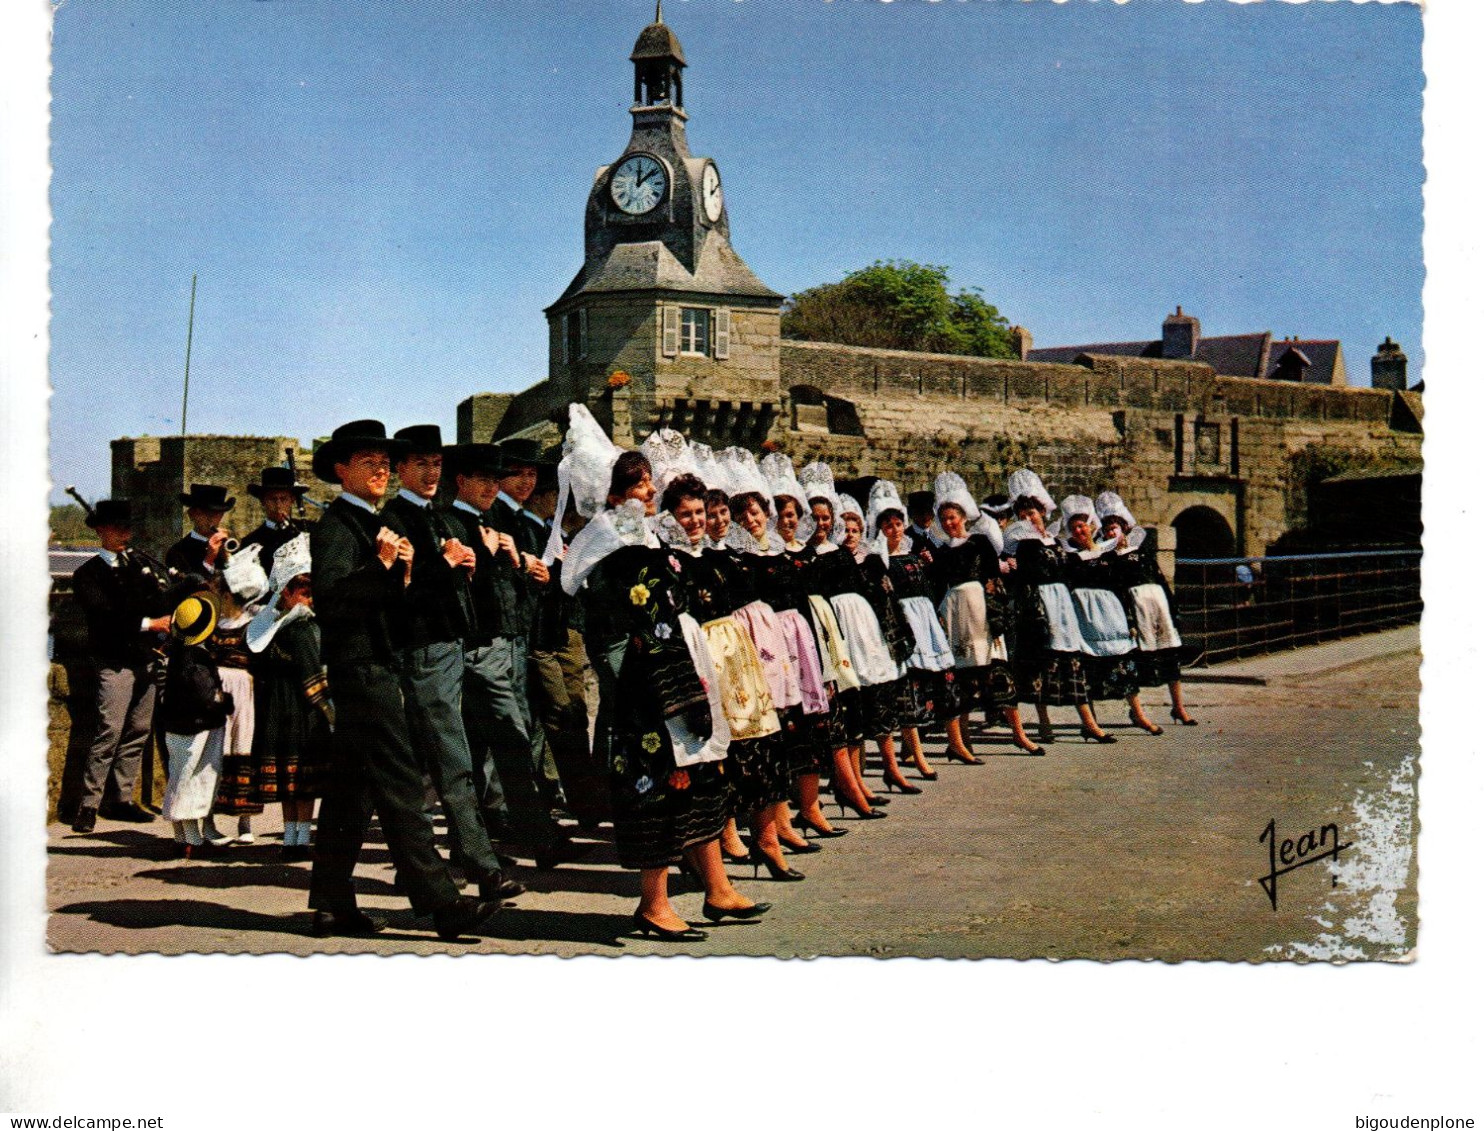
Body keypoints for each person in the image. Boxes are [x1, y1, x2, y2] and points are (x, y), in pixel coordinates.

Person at [558, 407, 765, 939]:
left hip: (672, 667)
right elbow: (636, 620)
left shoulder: (641, 537)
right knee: (662, 785)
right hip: (648, 682)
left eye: (647, 478)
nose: (650, 489)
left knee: (698, 777)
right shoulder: (612, 546)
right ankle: (654, 903)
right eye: (637, 483)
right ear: (609, 493)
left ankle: (717, 889)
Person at [307, 418, 500, 942]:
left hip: (375, 664)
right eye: (368, 463)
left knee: (350, 792)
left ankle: (330, 902)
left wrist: (406, 573)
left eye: (385, 464)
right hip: (361, 671)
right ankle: (442, 903)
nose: (381, 472)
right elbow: (331, 603)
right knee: (399, 789)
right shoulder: (336, 527)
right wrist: (383, 566)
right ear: (341, 470)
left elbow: (382, 603)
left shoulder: (365, 523)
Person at [383, 424, 523, 902]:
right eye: (420, 464)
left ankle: (429, 865)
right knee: (451, 761)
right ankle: (481, 864)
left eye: (435, 465)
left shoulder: (435, 517)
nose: (429, 473)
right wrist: (446, 565)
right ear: (401, 468)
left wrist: (469, 563)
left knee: (436, 761)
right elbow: (399, 596)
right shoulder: (398, 518)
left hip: (450, 647)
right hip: (425, 649)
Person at [477, 436, 587, 869]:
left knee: (526, 724)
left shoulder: (526, 520)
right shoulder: (499, 517)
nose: (525, 481)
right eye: (516, 474)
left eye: (530, 475)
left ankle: (521, 813)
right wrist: (526, 571)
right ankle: (505, 815)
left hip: (531, 629)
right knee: (509, 728)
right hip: (512, 633)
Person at [69, 498, 177, 832]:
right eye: (118, 528)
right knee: (110, 730)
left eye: (127, 528)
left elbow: (159, 599)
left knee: (138, 731)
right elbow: (105, 618)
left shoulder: (137, 564)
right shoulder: (87, 574)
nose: (124, 534)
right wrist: (150, 624)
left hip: (144, 657)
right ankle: (88, 805)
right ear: (100, 530)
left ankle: (121, 799)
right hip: (114, 660)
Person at [929, 473, 1042, 758]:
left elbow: (993, 579)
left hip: (981, 611)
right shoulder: (941, 552)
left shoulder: (980, 542)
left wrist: (997, 616)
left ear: (963, 516)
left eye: (953, 517)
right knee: (961, 679)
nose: (949, 523)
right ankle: (961, 741)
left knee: (999, 672)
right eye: (944, 519)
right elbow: (937, 587)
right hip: (955, 613)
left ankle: (1019, 734)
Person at [798, 471, 886, 821]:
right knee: (827, 711)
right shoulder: (803, 555)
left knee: (850, 707)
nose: (820, 524)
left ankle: (853, 782)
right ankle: (841, 787)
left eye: (825, 518)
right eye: (815, 518)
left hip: (838, 634)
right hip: (812, 633)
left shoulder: (838, 554)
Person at [1002, 469, 1111, 743]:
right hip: (1041, 607)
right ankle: (1044, 722)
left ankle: (1088, 723)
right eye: (1024, 515)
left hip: (1062, 606)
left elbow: (1071, 569)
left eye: (1033, 513)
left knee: (1072, 664)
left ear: (1042, 512)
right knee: (1042, 666)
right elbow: (1027, 577)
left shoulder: (1055, 541)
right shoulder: (1025, 545)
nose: (1029, 518)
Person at [243, 535, 331, 861]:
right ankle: (294, 834)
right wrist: (328, 708)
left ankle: (298, 836)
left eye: (310, 594)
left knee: (296, 779)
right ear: (287, 592)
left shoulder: (292, 628)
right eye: (303, 594)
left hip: (286, 707)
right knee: (294, 778)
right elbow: (313, 678)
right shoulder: (291, 628)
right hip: (293, 708)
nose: (309, 601)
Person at [867, 479, 960, 777]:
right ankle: (914, 755)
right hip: (903, 624)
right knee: (909, 689)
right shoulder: (877, 561)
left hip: (926, 622)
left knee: (938, 682)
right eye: (888, 525)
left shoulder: (914, 554)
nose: (894, 530)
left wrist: (935, 613)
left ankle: (951, 743)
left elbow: (928, 587)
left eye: (897, 524)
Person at [1059, 494, 1163, 736]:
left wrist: (1129, 619)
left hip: (1110, 615)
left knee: (1124, 666)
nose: (1079, 530)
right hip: (1084, 616)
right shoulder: (1071, 558)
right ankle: (1090, 723)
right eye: (1074, 527)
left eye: (1082, 525)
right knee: (1083, 670)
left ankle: (1138, 714)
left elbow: (1125, 585)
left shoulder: (1109, 553)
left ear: (1092, 525)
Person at [1094, 492, 1197, 726]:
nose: (1112, 533)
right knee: (1137, 663)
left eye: (1115, 528)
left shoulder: (1142, 552)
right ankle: (1137, 711)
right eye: (1108, 529)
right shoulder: (1108, 559)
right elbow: (1115, 592)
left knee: (1170, 656)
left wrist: (1172, 609)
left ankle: (1178, 707)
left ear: (1124, 528)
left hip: (1157, 605)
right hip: (1135, 610)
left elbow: (1160, 579)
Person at [238, 466, 311, 565]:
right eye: (272, 499)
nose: (278, 505)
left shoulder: (310, 530)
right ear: (263, 501)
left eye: (283, 499)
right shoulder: (250, 543)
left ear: (292, 500)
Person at [166, 483, 236, 578]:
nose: (210, 519)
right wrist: (208, 560)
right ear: (191, 514)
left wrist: (228, 558)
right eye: (204, 513)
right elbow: (186, 588)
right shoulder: (177, 552)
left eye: (216, 514)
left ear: (222, 515)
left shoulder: (230, 545)